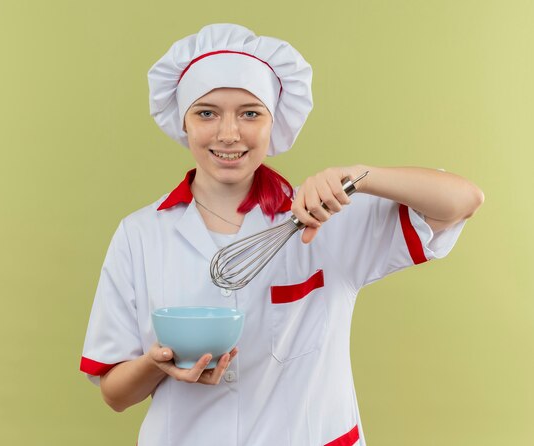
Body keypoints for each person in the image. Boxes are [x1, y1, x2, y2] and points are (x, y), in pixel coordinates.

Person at [80, 24, 484, 446]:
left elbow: (464, 199)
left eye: (250, 113)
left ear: (274, 122)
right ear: (183, 121)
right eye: (206, 112)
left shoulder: (327, 217)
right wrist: (157, 364)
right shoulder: (139, 235)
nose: (228, 133)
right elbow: (115, 393)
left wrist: (360, 178)